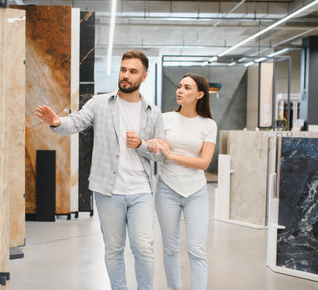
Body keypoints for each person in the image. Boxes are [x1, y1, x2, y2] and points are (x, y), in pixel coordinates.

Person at [35, 49, 163, 290]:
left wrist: (142, 145)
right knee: (114, 249)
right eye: (123, 69)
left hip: (141, 191)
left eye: (133, 72)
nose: (126, 75)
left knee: (144, 248)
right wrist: (57, 122)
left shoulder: (153, 113)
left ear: (144, 77)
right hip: (108, 190)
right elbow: (76, 121)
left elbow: (160, 153)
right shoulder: (99, 103)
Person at [146, 73, 217, 290]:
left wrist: (171, 155)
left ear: (200, 94)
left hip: (196, 192)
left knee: (196, 249)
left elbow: (204, 162)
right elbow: (152, 147)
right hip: (167, 188)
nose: (180, 90)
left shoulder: (208, 124)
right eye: (179, 86)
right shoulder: (164, 118)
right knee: (169, 248)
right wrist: (150, 143)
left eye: (187, 87)